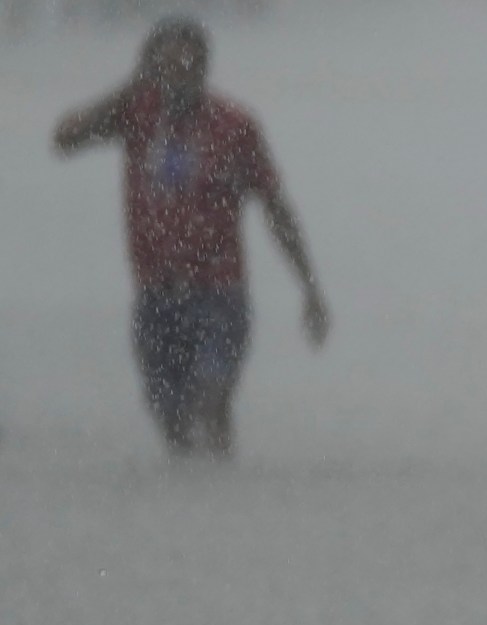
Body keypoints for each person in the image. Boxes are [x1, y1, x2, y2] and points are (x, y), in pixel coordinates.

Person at [53, 16, 328, 458]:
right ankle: (191, 511)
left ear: (204, 64)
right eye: (165, 62)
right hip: (156, 295)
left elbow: (276, 207)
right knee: (173, 423)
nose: (177, 72)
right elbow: (64, 140)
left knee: (212, 397)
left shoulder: (234, 125)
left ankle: (225, 506)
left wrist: (309, 287)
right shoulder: (136, 114)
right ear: (151, 66)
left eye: (187, 61)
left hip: (219, 294)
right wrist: (130, 85)